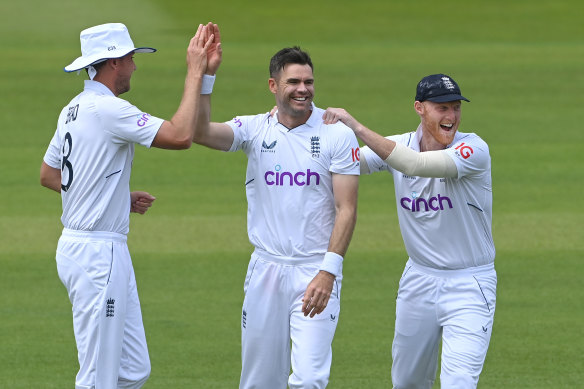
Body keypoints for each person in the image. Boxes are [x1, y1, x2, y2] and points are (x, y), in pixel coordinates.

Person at [40, 22, 214, 388]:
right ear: (114, 62)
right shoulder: (108, 109)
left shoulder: (71, 109)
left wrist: (116, 197)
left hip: (90, 248)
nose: (135, 65)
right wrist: (196, 71)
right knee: (98, 377)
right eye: (131, 57)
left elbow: (48, 174)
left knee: (132, 370)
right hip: (97, 254)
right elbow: (181, 135)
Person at [193, 24, 360, 388]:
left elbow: (347, 208)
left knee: (310, 378)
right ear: (273, 86)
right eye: (293, 82)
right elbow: (200, 132)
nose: (303, 89)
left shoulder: (336, 133)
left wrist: (328, 272)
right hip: (266, 270)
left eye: (309, 82)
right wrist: (206, 76)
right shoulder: (254, 129)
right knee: (259, 380)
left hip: (315, 270)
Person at [323, 74, 497, 388]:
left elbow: (415, 164)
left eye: (456, 108)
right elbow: (342, 164)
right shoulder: (399, 145)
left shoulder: (473, 149)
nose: (451, 117)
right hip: (419, 280)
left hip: (470, 283)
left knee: (459, 382)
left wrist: (357, 127)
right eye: (442, 108)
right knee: (407, 382)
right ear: (419, 108)